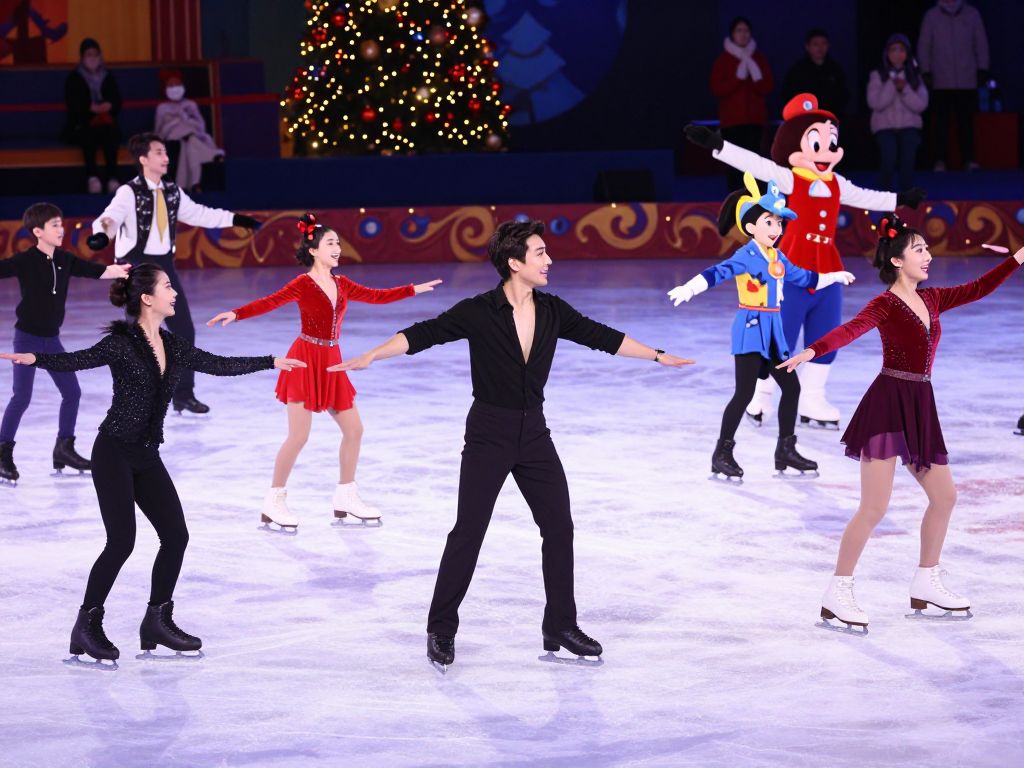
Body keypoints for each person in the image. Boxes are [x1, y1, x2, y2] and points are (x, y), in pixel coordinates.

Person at [334, 219, 693, 670]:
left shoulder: (553, 310)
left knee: (559, 527)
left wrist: (657, 355)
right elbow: (425, 333)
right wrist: (373, 354)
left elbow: (601, 336)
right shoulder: (479, 310)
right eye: (540, 253)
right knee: (469, 532)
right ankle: (441, 628)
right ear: (514, 262)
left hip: (534, 433)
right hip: (489, 432)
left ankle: (560, 625)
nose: (549, 260)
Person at [0, 264, 305, 663]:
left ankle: (156, 621)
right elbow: (78, 359)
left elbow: (216, 364)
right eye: (167, 286)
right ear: (147, 298)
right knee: (121, 542)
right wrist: (35, 359)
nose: (175, 292)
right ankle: (86, 625)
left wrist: (270, 361)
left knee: (176, 536)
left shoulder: (173, 344)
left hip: (146, 454)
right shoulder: (121, 343)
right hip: (113, 451)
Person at [777, 215, 1024, 631]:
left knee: (944, 497)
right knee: (874, 507)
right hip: (887, 405)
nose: (928, 256)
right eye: (919, 250)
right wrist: (812, 351)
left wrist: (1017, 258)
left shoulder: (933, 299)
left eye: (927, 249)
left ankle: (926, 580)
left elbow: (979, 288)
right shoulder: (885, 305)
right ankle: (837, 591)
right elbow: (851, 329)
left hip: (920, 404)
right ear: (896, 260)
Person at [684, 94, 924, 430]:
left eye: (831, 143)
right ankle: (761, 395)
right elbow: (756, 164)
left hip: (828, 269)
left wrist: (899, 199)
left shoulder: (836, 183)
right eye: (816, 143)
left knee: (826, 333)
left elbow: (865, 196)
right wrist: (719, 146)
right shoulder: (790, 179)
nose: (826, 151)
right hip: (791, 270)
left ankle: (813, 397)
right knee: (781, 335)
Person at [207, 213, 442, 529]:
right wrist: (236, 313)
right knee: (299, 436)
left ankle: (346, 497)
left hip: (332, 361)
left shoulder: (342, 284)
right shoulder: (302, 284)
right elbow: (269, 302)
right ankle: (273, 500)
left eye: (338, 243)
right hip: (304, 359)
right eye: (331, 243)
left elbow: (376, 296)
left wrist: (412, 289)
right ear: (314, 250)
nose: (337, 248)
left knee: (354, 430)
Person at [668, 173, 853, 481]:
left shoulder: (777, 255)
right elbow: (717, 272)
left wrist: (833, 276)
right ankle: (722, 454)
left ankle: (785, 451)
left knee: (791, 388)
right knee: (743, 394)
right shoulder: (746, 255)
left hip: (774, 332)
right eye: (769, 222)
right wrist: (690, 288)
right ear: (751, 227)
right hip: (752, 329)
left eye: (779, 223)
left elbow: (803, 277)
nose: (776, 229)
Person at [87, 132, 262, 415]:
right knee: (138, 335)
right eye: (158, 152)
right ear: (143, 159)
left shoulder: (172, 191)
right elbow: (110, 218)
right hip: (136, 266)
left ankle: (183, 395)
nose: (166, 157)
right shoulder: (128, 192)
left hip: (163, 266)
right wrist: (101, 235)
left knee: (183, 329)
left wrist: (235, 219)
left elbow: (200, 214)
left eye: (166, 152)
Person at [0, 203, 130, 486]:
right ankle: (3, 452)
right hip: (27, 339)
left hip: (52, 340)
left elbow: (95, 270)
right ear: (38, 231)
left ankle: (64, 448)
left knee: (72, 392)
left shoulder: (65, 259)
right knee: (21, 397)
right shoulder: (25, 260)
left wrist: (119, 271)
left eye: (61, 224)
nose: (61, 229)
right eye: (55, 225)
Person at [918, 0, 990, 171]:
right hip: (940, 79)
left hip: (967, 78)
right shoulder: (931, 16)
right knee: (940, 124)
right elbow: (924, 45)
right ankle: (939, 160)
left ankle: (969, 159)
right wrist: (925, 70)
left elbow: (980, 43)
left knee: (966, 122)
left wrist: (983, 68)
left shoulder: (972, 14)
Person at [709, 16, 774, 191]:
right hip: (732, 123)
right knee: (734, 165)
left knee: (755, 163)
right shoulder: (723, 60)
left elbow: (767, 87)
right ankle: (735, 199)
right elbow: (717, 89)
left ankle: (757, 200)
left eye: (746, 30)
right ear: (732, 34)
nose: (743, 34)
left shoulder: (758, 59)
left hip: (755, 122)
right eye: (739, 30)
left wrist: (754, 78)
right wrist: (737, 79)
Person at [867, 34, 928, 190]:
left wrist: (905, 89)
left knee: (907, 162)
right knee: (889, 158)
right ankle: (883, 194)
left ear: (907, 53)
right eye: (893, 50)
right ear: (887, 53)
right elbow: (875, 103)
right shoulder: (878, 75)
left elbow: (921, 105)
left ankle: (906, 195)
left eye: (901, 50)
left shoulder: (915, 77)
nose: (897, 54)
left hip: (909, 126)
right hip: (884, 127)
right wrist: (892, 85)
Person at [62, 37, 122, 194]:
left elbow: (116, 99)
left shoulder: (107, 75)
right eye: (89, 54)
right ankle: (92, 177)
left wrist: (109, 105)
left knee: (110, 132)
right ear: (82, 57)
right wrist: (90, 108)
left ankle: (112, 178)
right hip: (82, 122)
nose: (93, 58)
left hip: (106, 121)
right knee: (88, 132)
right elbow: (73, 104)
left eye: (96, 54)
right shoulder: (74, 77)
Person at [154, 69, 224, 192]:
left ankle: (191, 184)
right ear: (165, 89)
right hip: (173, 135)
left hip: (191, 136)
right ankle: (211, 155)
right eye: (171, 85)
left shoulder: (190, 105)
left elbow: (201, 126)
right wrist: (175, 121)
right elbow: (158, 132)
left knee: (188, 145)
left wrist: (186, 117)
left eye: (177, 84)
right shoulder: (162, 108)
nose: (174, 88)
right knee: (189, 139)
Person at [782, 29, 849, 121]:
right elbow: (789, 96)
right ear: (807, 46)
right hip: (805, 119)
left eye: (824, 43)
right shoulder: (797, 71)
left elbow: (844, 95)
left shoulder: (835, 69)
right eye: (815, 44)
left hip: (830, 119)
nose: (820, 48)